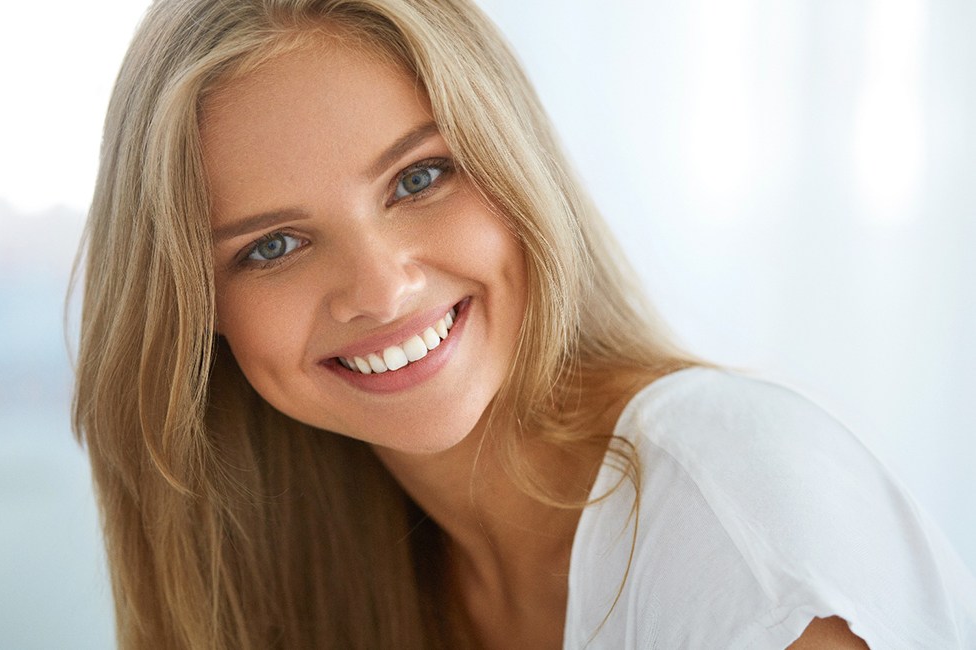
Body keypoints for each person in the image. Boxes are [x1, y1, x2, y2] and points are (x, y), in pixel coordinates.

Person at [72, 0, 976, 648]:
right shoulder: (304, 565)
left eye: (419, 178)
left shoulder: (731, 508)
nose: (381, 291)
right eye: (272, 246)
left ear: (515, 164)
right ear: (196, 315)